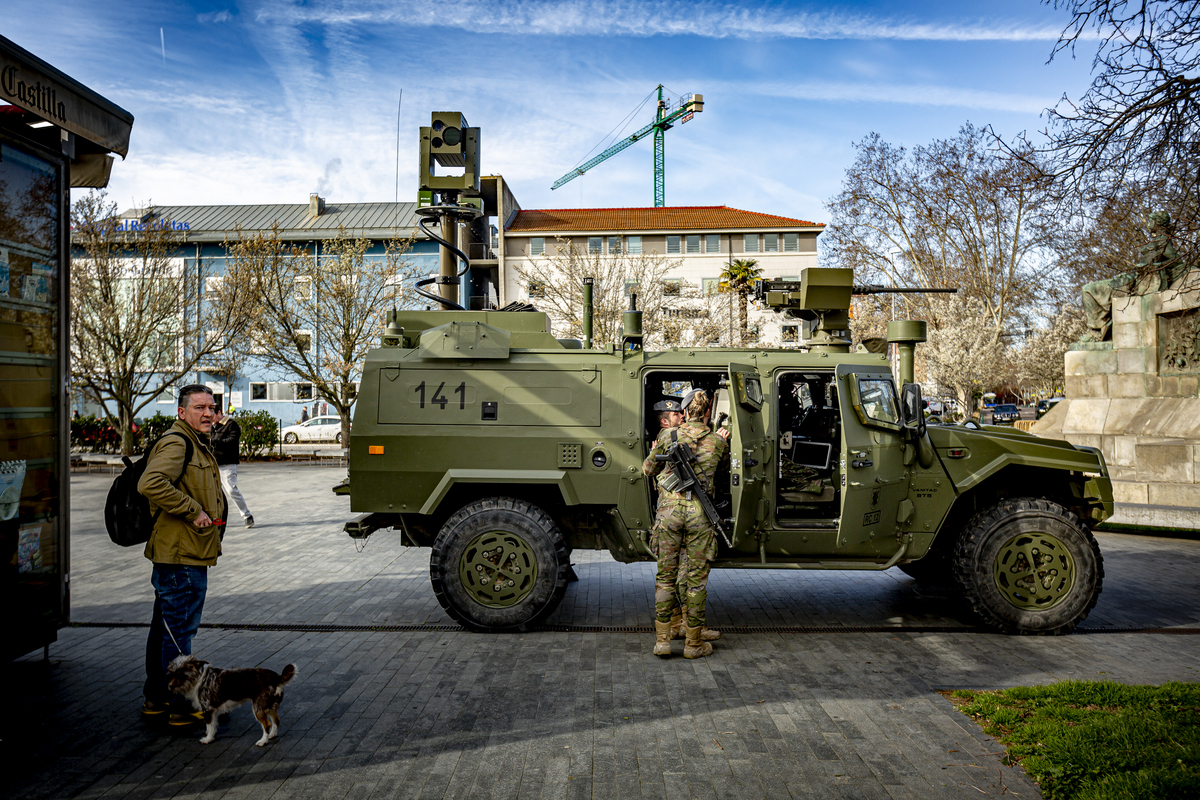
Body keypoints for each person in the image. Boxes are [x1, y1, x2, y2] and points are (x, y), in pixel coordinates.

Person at [138, 384, 228, 726]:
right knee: (178, 633)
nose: (207, 413)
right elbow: (151, 483)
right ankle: (181, 705)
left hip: (185, 553)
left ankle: (156, 698)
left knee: (165, 631)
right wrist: (192, 511)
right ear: (182, 412)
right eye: (199, 407)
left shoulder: (194, 442)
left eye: (211, 406)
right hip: (181, 556)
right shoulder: (178, 442)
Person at [642, 389, 730, 658]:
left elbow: (647, 470)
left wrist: (657, 450)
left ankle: (663, 642)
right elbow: (724, 470)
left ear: (685, 411)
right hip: (700, 515)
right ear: (706, 412)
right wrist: (720, 439)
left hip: (669, 513)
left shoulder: (668, 436)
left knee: (666, 579)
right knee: (695, 583)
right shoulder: (717, 441)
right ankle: (693, 644)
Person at [211, 406, 254, 528]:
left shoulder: (231, 425)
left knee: (231, 490)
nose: (210, 418)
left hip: (228, 464)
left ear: (219, 412)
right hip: (213, 464)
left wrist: (212, 442)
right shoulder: (210, 426)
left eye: (212, 415)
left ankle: (247, 515)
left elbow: (231, 442)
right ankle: (216, 519)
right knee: (213, 493)